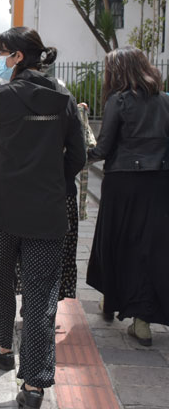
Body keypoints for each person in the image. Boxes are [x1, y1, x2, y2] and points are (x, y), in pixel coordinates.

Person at [0, 27, 85, 409]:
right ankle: (34, 386)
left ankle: (3, 347)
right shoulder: (63, 98)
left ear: (17, 57)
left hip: (1, 207)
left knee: (2, 279)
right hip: (47, 211)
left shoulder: (3, 96)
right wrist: (51, 182)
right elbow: (78, 156)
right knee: (42, 297)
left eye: (2, 53)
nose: (0, 59)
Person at [86, 47, 169, 346]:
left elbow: (103, 147)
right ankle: (142, 320)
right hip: (159, 182)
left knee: (115, 243)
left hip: (122, 183)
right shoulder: (166, 100)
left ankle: (111, 300)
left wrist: (77, 157)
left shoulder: (118, 100)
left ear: (118, 71)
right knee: (149, 248)